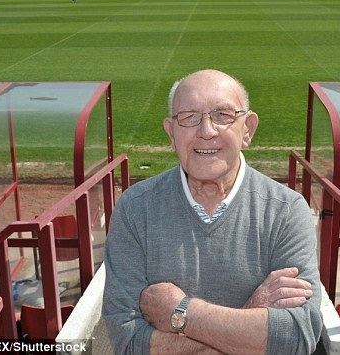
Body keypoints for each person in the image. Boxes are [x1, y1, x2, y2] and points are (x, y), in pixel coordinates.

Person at [103, 69, 323, 354]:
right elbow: (129, 341)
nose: (206, 131)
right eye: (189, 117)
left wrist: (178, 311)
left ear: (248, 129)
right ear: (171, 133)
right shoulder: (135, 208)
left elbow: (296, 336)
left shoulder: (286, 210)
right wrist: (250, 315)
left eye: (223, 115)